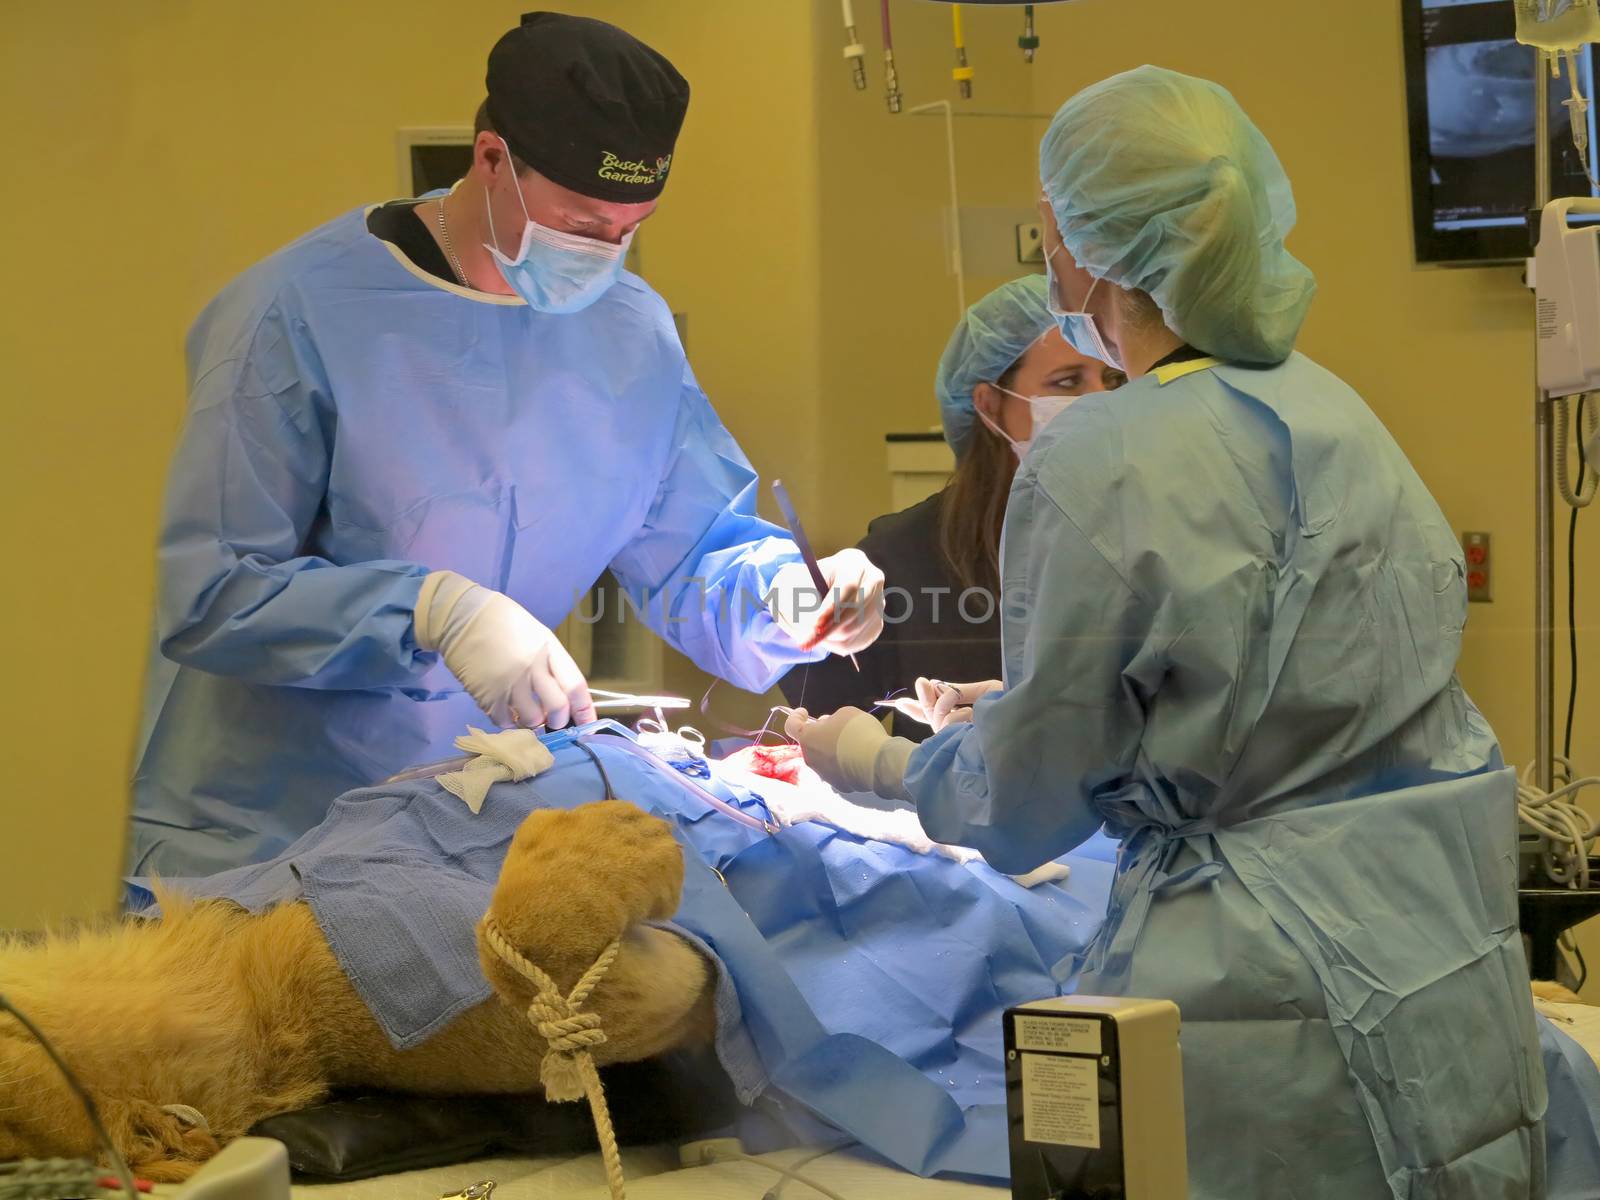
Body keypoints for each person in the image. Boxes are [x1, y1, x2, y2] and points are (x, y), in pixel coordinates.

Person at [786, 66, 1548, 1198]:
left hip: (1264, 1008)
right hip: (1436, 960)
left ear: (1088, 245)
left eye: (1049, 224)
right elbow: (1290, 676)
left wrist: (877, 760)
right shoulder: (1332, 408)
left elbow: (1027, 800)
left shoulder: (1099, 453)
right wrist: (1069, 717)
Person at [131, 12, 884, 879]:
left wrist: (792, 599)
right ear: (491, 159)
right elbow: (215, 591)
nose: (607, 252)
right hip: (272, 835)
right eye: (581, 221)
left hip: (481, 827)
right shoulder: (295, 313)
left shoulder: (629, 335)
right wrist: (434, 611)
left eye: (629, 228)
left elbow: (691, 554)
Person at [778, 277, 1123, 739]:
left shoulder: (1148, 533)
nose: (1100, 400)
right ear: (989, 403)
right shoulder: (906, 556)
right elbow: (819, 713)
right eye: (1067, 382)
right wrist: (789, 604)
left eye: (1114, 379)